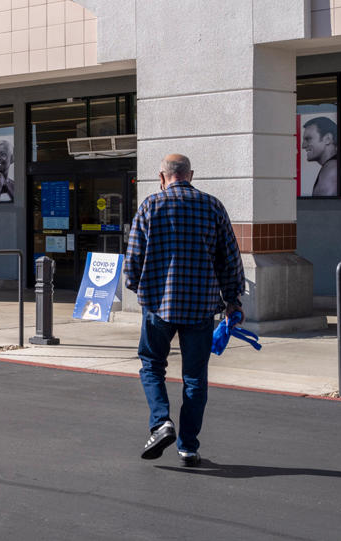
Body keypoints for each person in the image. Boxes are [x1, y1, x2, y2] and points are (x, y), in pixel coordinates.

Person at [123, 153, 244, 467]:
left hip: (158, 306)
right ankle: (188, 447)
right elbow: (230, 260)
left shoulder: (150, 206)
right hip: (201, 307)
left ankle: (161, 423)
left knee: (152, 366)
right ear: (190, 174)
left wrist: (141, 290)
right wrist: (233, 301)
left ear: (161, 176)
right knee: (195, 378)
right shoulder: (213, 206)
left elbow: (132, 260)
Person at [300, 115, 340, 197]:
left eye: (308, 139)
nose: (303, 146)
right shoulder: (334, 165)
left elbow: (322, 207)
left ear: (327, 139)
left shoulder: (331, 169)